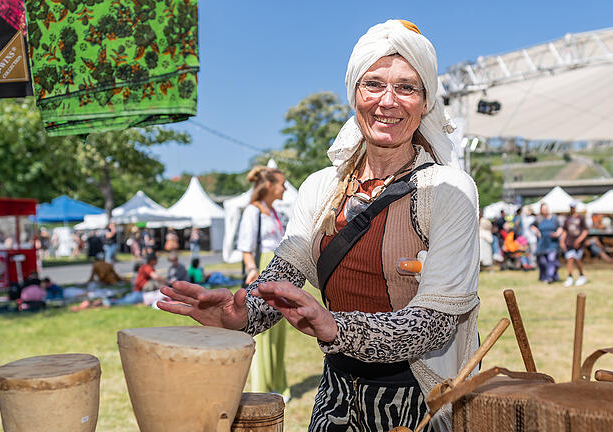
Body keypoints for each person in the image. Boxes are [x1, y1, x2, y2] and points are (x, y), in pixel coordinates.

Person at [159, 20, 480, 432]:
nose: (388, 101)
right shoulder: (321, 187)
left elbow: (433, 325)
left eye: (406, 88)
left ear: (424, 102)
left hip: (421, 398)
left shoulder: (449, 190)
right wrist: (243, 316)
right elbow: (284, 275)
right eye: (374, 84)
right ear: (354, 94)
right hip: (338, 392)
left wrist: (335, 327)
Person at [237, 166, 289, 400]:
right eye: (282, 183)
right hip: (262, 271)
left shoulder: (273, 211)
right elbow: (246, 249)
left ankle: (278, 383)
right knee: (262, 331)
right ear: (269, 185)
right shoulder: (252, 211)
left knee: (278, 330)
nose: (285, 188)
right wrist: (252, 270)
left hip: (278, 270)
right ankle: (262, 387)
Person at [532, 203, 563, 283]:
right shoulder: (538, 219)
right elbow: (532, 226)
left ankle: (550, 277)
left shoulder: (554, 218)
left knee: (551, 259)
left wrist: (557, 234)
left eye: (546, 209)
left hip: (552, 243)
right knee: (543, 261)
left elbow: (560, 228)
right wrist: (537, 232)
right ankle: (551, 275)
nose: (545, 210)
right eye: (543, 209)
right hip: (542, 243)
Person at [560, 202, 589, 286]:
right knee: (570, 258)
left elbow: (585, 231)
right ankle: (570, 276)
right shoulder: (567, 219)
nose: (572, 209)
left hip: (578, 244)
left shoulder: (581, 218)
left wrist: (579, 240)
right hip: (569, 242)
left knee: (577, 259)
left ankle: (581, 275)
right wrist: (562, 241)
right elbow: (565, 231)